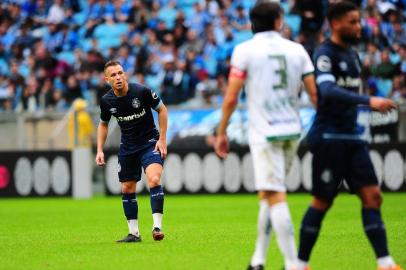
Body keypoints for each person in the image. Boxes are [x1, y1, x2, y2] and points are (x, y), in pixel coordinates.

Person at [296, 2, 402, 270]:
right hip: (328, 138)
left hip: (352, 137)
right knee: (322, 201)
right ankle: (300, 264)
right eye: (353, 21)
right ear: (335, 23)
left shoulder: (353, 56)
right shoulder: (324, 54)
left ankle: (385, 262)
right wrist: (369, 101)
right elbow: (327, 91)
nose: (359, 26)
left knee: (372, 196)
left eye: (359, 21)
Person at [214, 2, 317, 270]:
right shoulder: (297, 50)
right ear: (279, 21)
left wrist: (221, 131)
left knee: (274, 195)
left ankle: (294, 264)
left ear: (251, 22)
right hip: (293, 130)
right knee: (269, 194)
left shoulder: (244, 50)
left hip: (265, 132)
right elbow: (315, 95)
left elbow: (231, 98)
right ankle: (258, 259)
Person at [95, 60, 168, 243]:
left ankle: (157, 226)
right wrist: (99, 150)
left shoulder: (141, 91)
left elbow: (162, 110)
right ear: (107, 79)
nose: (118, 77)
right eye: (113, 75)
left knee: (154, 179)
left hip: (150, 142)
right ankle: (134, 233)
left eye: (120, 73)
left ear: (125, 74)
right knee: (127, 188)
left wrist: (162, 140)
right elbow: (103, 125)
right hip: (128, 147)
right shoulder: (106, 101)